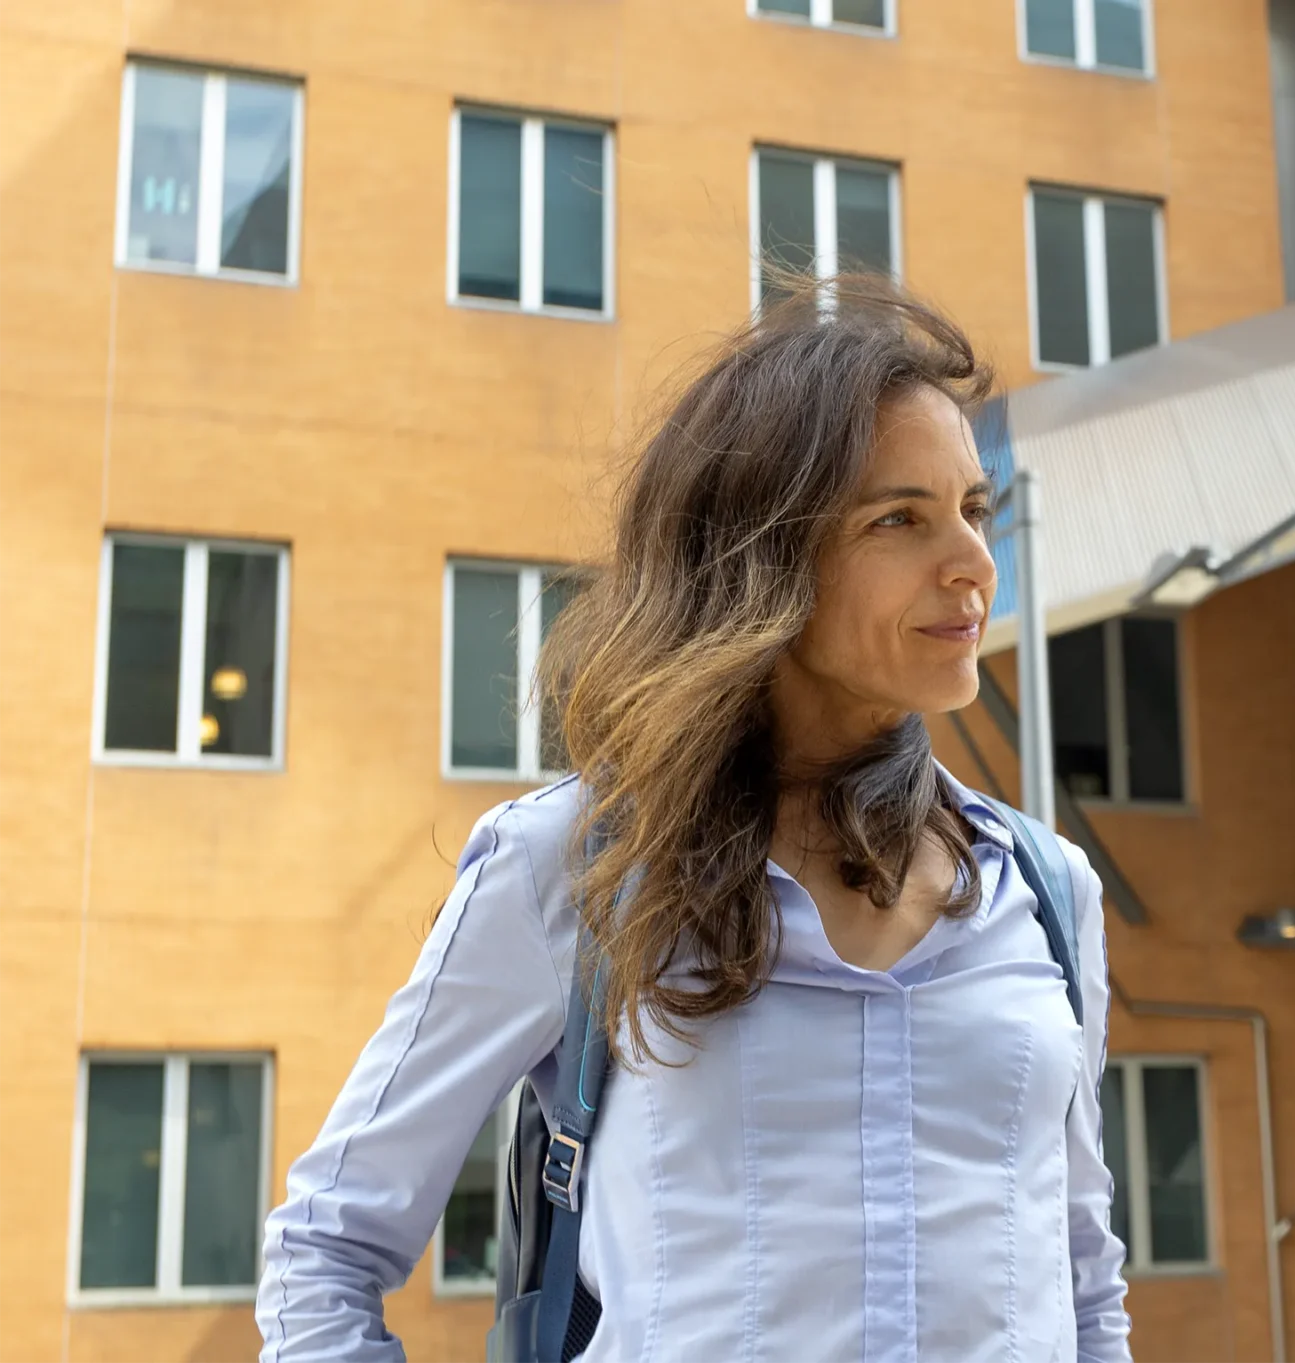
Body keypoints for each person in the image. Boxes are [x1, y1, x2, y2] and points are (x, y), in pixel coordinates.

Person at [254, 276, 1132, 1362]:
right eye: (900, 518)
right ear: (763, 551)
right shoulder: (567, 866)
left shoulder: (1049, 894)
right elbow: (327, 1251)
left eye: (974, 508)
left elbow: (1086, 1284)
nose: (971, 565)